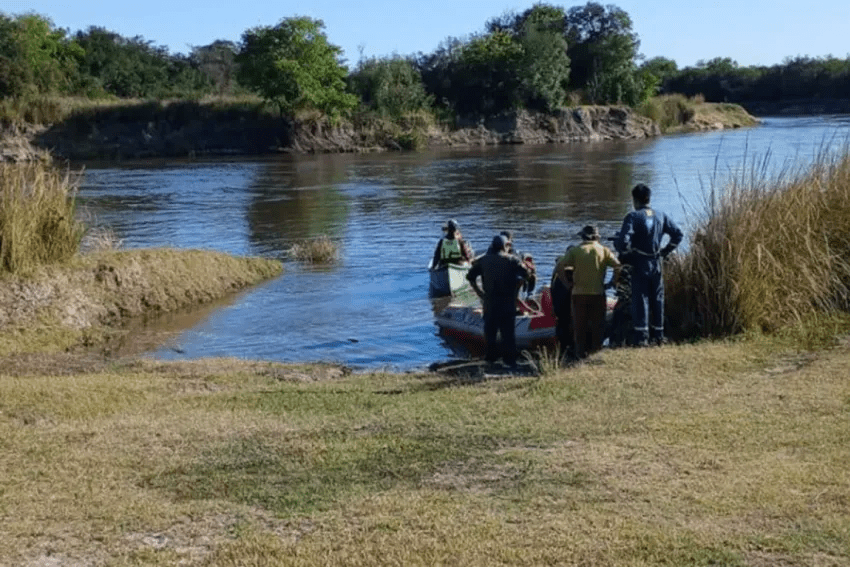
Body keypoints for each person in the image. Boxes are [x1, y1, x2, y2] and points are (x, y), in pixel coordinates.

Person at [614, 183, 683, 346]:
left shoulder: (633, 216)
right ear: (649, 198)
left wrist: (625, 251)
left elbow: (622, 243)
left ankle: (642, 337)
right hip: (656, 263)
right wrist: (665, 251)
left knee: (641, 298)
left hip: (640, 264)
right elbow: (678, 235)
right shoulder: (661, 215)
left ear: (634, 200)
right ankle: (658, 335)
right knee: (658, 298)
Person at [557, 225, 621, 359]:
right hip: (598, 293)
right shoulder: (604, 250)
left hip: (578, 294)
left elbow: (560, 266)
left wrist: (567, 284)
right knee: (598, 326)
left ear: (583, 237)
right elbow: (617, 266)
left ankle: (580, 355)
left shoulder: (576, 251)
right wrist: (612, 282)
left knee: (579, 327)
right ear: (597, 237)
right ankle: (595, 354)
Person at [466, 234, 530, 368]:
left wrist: (479, 293)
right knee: (508, 334)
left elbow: (470, 277)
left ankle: (491, 359)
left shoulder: (483, 260)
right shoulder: (512, 260)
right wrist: (516, 289)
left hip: (490, 302)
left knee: (490, 333)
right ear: (505, 246)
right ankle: (510, 361)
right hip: (507, 302)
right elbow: (526, 274)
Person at [550, 245, 575, 357]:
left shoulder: (559, 266)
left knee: (561, 323)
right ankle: (567, 348)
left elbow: (552, 284)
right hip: (564, 299)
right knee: (566, 323)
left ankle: (562, 349)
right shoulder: (571, 268)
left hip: (559, 298)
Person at [500, 230, 537, 296]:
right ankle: (529, 294)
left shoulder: (491, 253)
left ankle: (528, 294)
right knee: (532, 276)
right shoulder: (513, 254)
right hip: (511, 279)